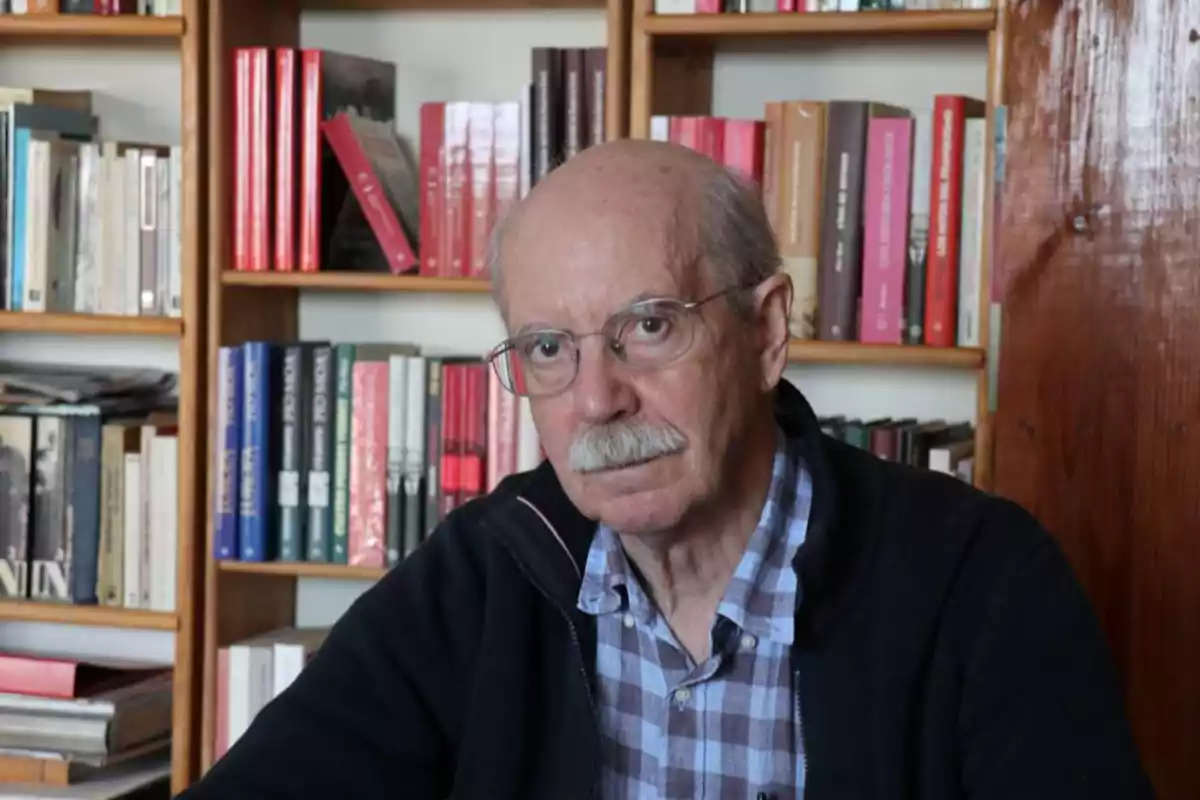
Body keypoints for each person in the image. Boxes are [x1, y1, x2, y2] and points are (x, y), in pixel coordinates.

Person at [178, 140, 1152, 799]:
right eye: (550, 347)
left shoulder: (981, 584)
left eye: (649, 326)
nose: (597, 398)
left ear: (766, 331)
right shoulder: (488, 570)